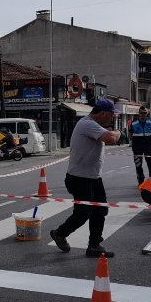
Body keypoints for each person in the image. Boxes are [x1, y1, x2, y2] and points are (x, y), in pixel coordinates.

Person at [50, 99, 121, 258]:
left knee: (100, 210)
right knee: (83, 212)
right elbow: (111, 138)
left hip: (93, 178)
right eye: (111, 115)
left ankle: (94, 245)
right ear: (103, 113)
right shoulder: (87, 124)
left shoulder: (94, 125)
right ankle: (60, 233)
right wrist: (118, 132)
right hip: (80, 179)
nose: (112, 118)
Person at [128, 106, 151, 185]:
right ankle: (141, 181)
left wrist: (149, 139)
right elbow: (130, 135)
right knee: (138, 165)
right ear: (139, 114)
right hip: (137, 147)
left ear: (147, 113)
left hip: (148, 146)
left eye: (145, 113)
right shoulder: (134, 123)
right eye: (141, 113)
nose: (143, 114)